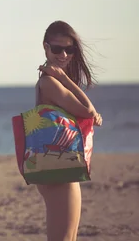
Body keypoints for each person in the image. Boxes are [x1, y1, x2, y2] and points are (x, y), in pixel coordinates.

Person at [35, 20, 103, 241]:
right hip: (59, 170)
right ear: (46, 47)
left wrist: (90, 116)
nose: (63, 55)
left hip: (57, 166)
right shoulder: (50, 83)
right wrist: (64, 78)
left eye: (69, 49)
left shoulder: (52, 82)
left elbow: (86, 115)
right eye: (57, 48)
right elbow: (88, 110)